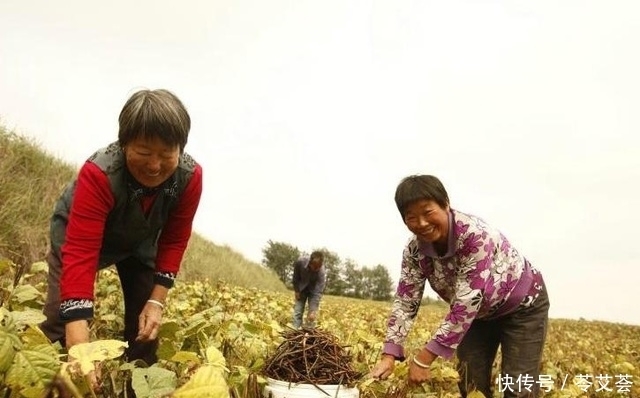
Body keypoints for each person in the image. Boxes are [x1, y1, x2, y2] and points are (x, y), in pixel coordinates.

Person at [40, 88, 203, 366]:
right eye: (143, 151)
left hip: (139, 242)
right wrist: (78, 341)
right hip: (79, 234)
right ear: (124, 144)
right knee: (61, 318)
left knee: (145, 332)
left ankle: (137, 382)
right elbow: (81, 250)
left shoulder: (189, 179)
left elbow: (175, 240)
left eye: (166, 154)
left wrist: (157, 301)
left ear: (181, 149)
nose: (154, 165)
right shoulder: (99, 174)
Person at [370, 175, 549, 398]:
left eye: (427, 212)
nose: (422, 223)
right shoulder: (414, 250)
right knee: (470, 384)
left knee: (518, 388)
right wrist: (389, 353)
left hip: (523, 308)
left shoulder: (475, 236)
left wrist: (424, 359)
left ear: (446, 204)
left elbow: (467, 302)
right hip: (478, 316)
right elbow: (406, 300)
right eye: (411, 217)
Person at [291, 251, 327, 329]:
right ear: (310, 263)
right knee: (298, 312)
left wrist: (313, 310)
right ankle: (294, 331)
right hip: (301, 289)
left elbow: (318, 292)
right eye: (315, 267)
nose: (317, 269)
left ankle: (308, 336)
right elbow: (295, 277)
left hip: (313, 292)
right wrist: (296, 290)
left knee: (311, 316)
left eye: (319, 267)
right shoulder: (300, 262)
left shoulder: (321, 272)